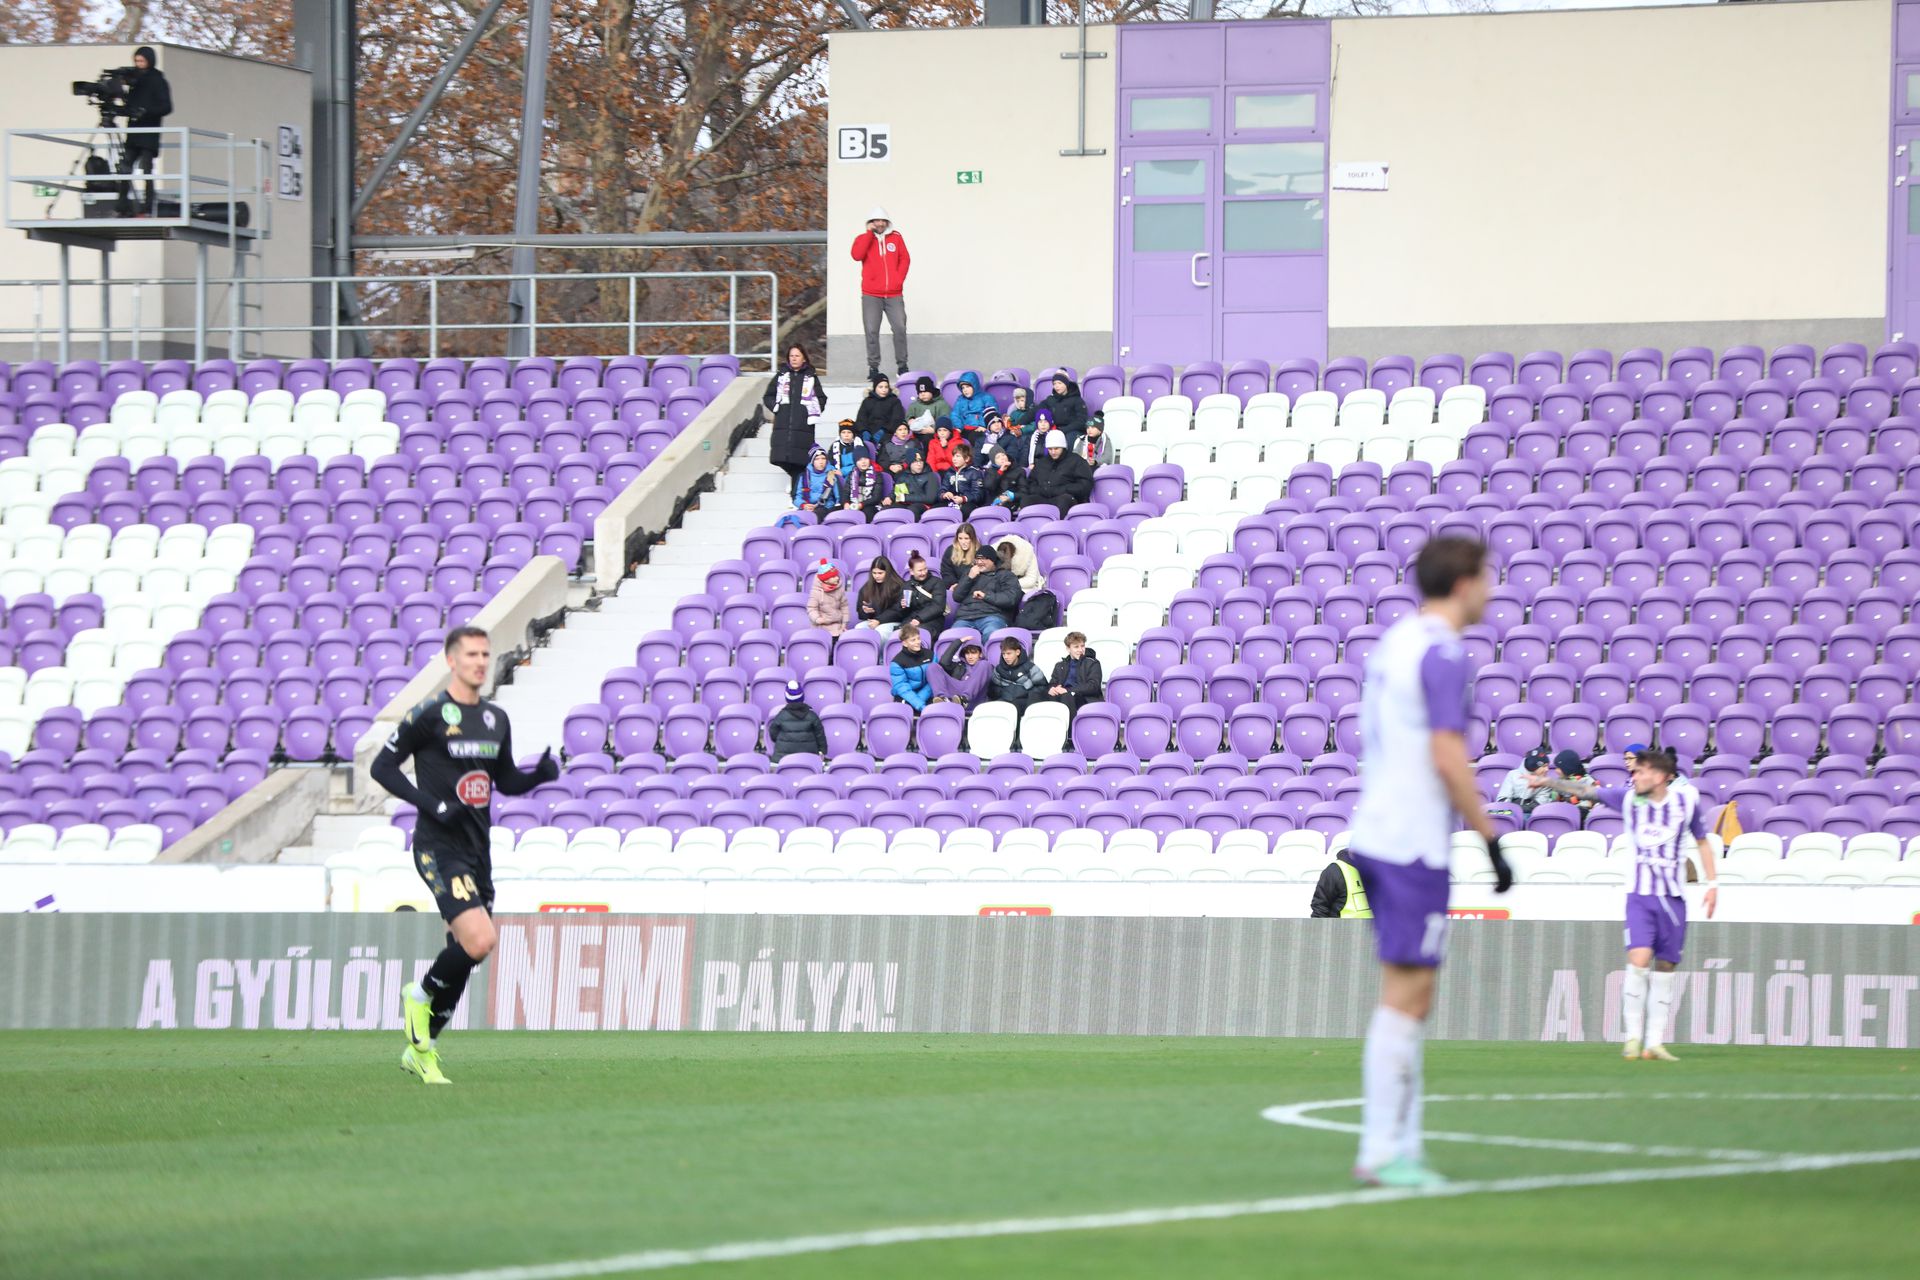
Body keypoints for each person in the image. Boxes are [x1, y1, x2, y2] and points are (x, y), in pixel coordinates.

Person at [1346, 536, 1510, 1188]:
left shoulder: (1398, 641)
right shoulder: (1444, 652)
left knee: (1407, 993)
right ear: (1466, 582)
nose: (1492, 588)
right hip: (1414, 838)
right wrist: (1490, 836)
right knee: (1408, 997)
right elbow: (1448, 753)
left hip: (1379, 827)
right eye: (1488, 576)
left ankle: (1395, 1145)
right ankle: (1386, 1151)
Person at [372, 626, 559, 1084]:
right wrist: (433, 805)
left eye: (485, 654)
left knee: (467, 952)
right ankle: (418, 995)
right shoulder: (430, 715)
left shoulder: (495, 719)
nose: (480, 661)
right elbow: (382, 766)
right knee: (481, 940)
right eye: (472, 654)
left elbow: (506, 779)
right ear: (452, 661)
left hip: (479, 849)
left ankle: (423, 1052)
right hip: (438, 846)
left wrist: (539, 776)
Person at [1528, 746, 1717, 1062]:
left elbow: (1701, 840)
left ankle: (1654, 1042)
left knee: (1667, 966)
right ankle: (1632, 1037)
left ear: (1659, 776)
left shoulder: (1686, 802)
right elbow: (1586, 790)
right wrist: (1548, 783)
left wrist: (1713, 884)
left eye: (1640, 772)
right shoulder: (1629, 799)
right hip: (1640, 897)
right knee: (1639, 959)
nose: (1634, 777)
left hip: (1673, 898)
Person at [851, 206, 910, 380]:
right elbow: (856, 255)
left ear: (887, 222)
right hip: (871, 294)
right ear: (871, 223)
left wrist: (898, 279)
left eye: (883, 220)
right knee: (871, 330)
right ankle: (873, 367)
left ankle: (902, 365)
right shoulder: (862, 239)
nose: (880, 224)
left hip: (894, 293)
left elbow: (905, 259)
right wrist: (869, 235)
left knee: (900, 327)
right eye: (876, 221)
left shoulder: (896, 238)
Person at [762, 343, 828, 491]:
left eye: (797, 355)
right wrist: (776, 406)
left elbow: (821, 399)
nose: (794, 359)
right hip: (782, 426)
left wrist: (809, 412)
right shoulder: (781, 376)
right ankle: (795, 481)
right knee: (780, 458)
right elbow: (768, 396)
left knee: (799, 461)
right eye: (791, 356)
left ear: (804, 358)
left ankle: (796, 493)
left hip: (802, 427)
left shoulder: (811, 377)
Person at [115, 47, 172, 216]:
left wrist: (145, 111)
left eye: (141, 61)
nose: (138, 65)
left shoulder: (158, 80)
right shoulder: (134, 81)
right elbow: (128, 106)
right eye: (136, 61)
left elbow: (166, 107)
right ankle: (122, 206)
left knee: (146, 168)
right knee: (125, 166)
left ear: (149, 60)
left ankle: (147, 206)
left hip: (149, 132)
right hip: (134, 131)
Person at [952, 545, 1021, 642]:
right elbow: (956, 596)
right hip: (966, 617)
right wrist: (969, 578)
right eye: (977, 559)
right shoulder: (970, 573)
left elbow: (1011, 598)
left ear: (992, 560)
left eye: (983, 559)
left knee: (991, 634)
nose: (979, 562)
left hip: (993, 616)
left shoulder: (1006, 575)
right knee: (952, 638)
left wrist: (986, 596)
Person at [1023, 429, 1095, 511]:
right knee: (1027, 501)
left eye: (1056, 448)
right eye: (1050, 449)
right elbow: (1031, 483)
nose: (1053, 452)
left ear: (1063, 447)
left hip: (1067, 499)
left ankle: (1061, 524)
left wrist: (1063, 490)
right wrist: (1042, 490)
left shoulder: (1076, 461)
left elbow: (1085, 485)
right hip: (1043, 497)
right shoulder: (1042, 462)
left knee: (1063, 501)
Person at [766, 679, 827, 762]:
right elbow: (820, 737)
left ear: (787, 698)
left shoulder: (781, 716)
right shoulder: (812, 716)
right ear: (802, 697)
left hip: (782, 760)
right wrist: (822, 751)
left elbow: (773, 735)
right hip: (808, 759)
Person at [1044, 631, 1103, 715]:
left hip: (1084, 699)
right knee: (1046, 695)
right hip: (1063, 697)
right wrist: (1052, 689)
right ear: (1068, 649)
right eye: (1076, 647)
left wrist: (1067, 690)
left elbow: (1093, 686)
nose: (1080, 650)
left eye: (1082, 646)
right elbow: (1053, 682)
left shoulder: (1092, 663)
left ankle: (1070, 727)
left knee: (1067, 696)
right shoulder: (1060, 665)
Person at [983, 635, 1046, 711]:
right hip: (1004, 701)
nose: (1006, 657)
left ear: (1017, 652)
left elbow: (1042, 688)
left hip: (1026, 703)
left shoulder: (1031, 668)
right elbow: (992, 690)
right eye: (1003, 654)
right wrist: (1004, 692)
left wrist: (1023, 692)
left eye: (1009, 653)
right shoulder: (998, 670)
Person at [1310, 848, 1372, 919]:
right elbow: (1319, 908)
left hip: (1374, 929)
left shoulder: (1378, 870)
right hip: (1341, 929)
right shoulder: (1335, 871)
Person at [930, 635, 991, 706]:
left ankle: (965, 699)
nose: (970, 657)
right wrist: (959, 642)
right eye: (967, 653)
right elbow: (943, 662)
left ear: (980, 654)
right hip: (955, 698)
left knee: (984, 664)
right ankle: (943, 699)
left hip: (975, 700)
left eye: (973, 653)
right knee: (932, 666)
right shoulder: (959, 665)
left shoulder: (985, 666)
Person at [888, 621, 936, 712]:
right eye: (913, 640)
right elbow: (902, 688)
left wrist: (921, 698)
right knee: (906, 709)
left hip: (927, 693)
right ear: (905, 643)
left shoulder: (930, 655)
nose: (918, 642)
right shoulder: (897, 662)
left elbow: (934, 679)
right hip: (906, 695)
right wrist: (920, 704)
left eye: (918, 638)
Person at [855, 556, 908, 635]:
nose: (876, 576)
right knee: (859, 628)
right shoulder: (867, 587)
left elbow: (899, 611)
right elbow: (860, 612)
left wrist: (879, 620)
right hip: (874, 621)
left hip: (895, 622)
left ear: (888, 572)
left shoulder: (899, 585)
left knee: (880, 631)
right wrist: (866, 612)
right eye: (874, 573)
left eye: (880, 573)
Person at [901, 552, 947, 638]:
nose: (923, 572)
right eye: (920, 570)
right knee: (900, 633)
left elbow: (938, 606)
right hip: (912, 619)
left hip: (933, 620)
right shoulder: (907, 585)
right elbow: (902, 613)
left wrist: (919, 619)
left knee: (919, 633)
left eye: (925, 569)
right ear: (911, 571)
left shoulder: (937, 582)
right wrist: (903, 606)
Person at [853, 375, 906, 449]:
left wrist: (884, 430)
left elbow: (897, 419)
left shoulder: (894, 401)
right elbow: (861, 419)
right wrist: (864, 431)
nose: (884, 390)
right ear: (875, 387)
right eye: (880, 387)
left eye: (886, 387)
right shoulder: (867, 401)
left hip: (888, 433)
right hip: (869, 433)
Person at [806, 559, 851, 636]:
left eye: (837, 575)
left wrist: (844, 623)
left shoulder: (839, 589)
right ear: (825, 580)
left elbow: (844, 606)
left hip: (838, 627)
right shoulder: (816, 592)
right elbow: (811, 608)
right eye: (833, 577)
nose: (837, 578)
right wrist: (817, 619)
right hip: (821, 628)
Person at [1037, 373, 1089, 439]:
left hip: (1073, 431)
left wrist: (1063, 430)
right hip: (1055, 429)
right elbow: (1035, 411)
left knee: (1069, 438)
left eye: (1059, 383)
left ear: (1066, 384)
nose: (1056, 386)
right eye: (1054, 384)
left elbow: (1082, 421)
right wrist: (1020, 423)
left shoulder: (1077, 400)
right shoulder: (1051, 399)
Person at [792, 445, 841, 514]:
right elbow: (797, 497)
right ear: (812, 461)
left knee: (817, 514)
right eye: (817, 459)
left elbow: (838, 498)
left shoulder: (832, 475)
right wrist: (803, 505)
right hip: (806, 507)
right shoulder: (803, 476)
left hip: (825, 508)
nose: (821, 462)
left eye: (823, 458)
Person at [949, 371, 1000, 436]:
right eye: (963, 388)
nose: (965, 390)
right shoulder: (960, 399)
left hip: (980, 428)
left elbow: (991, 412)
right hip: (964, 428)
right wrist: (958, 427)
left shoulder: (986, 397)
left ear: (974, 385)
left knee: (975, 438)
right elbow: (955, 414)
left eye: (967, 386)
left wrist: (983, 425)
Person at [941, 441, 985, 514]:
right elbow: (942, 489)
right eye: (953, 456)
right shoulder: (949, 472)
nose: (954, 459)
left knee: (965, 511)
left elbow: (978, 495)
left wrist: (963, 499)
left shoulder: (974, 472)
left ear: (967, 459)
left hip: (968, 503)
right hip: (952, 502)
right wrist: (944, 495)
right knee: (935, 510)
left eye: (958, 456)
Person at [940, 524, 983, 591]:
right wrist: (953, 584)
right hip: (955, 588)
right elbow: (946, 572)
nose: (963, 542)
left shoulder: (980, 552)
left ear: (972, 539)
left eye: (966, 538)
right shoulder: (950, 551)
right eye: (960, 538)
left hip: (974, 589)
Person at [847, 452, 885, 517]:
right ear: (855, 462)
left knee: (867, 512)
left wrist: (861, 504)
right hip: (854, 504)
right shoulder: (852, 474)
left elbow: (876, 497)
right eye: (860, 460)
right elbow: (846, 491)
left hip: (870, 505)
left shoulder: (877, 475)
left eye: (866, 459)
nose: (863, 462)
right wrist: (846, 503)